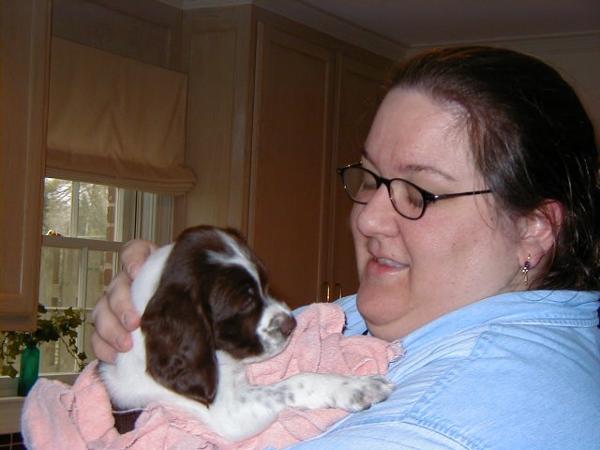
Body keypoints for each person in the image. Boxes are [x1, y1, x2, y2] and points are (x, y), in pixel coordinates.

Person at [92, 46, 600, 449]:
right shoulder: (400, 316)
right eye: (371, 178)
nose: (367, 216)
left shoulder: (438, 423)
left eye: (418, 192)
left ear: (534, 229)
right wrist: (145, 338)